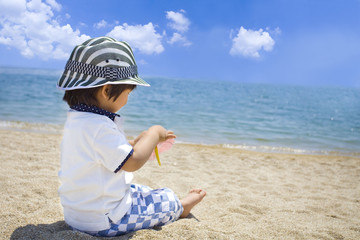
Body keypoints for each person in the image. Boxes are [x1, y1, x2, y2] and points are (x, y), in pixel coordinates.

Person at [56, 36, 206, 237]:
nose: (127, 99)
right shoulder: (99, 126)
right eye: (128, 92)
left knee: (140, 190)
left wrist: (135, 143)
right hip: (104, 220)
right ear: (106, 89)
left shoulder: (79, 120)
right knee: (166, 198)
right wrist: (154, 134)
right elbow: (132, 162)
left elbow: (102, 153)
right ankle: (181, 207)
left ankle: (168, 203)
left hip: (77, 214)